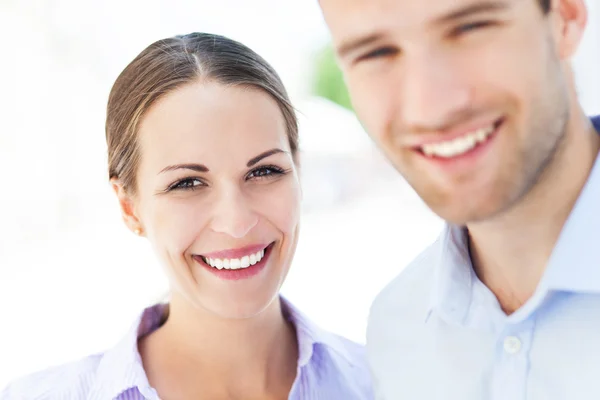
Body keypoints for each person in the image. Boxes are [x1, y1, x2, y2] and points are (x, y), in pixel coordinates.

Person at [0, 32, 373, 400]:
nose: (236, 222)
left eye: (264, 171)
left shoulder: (391, 383)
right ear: (129, 207)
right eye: (188, 183)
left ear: (299, 174)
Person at [318, 0, 600, 398]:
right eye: (376, 52)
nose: (430, 109)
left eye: (470, 27)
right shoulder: (396, 328)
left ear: (565, 20)